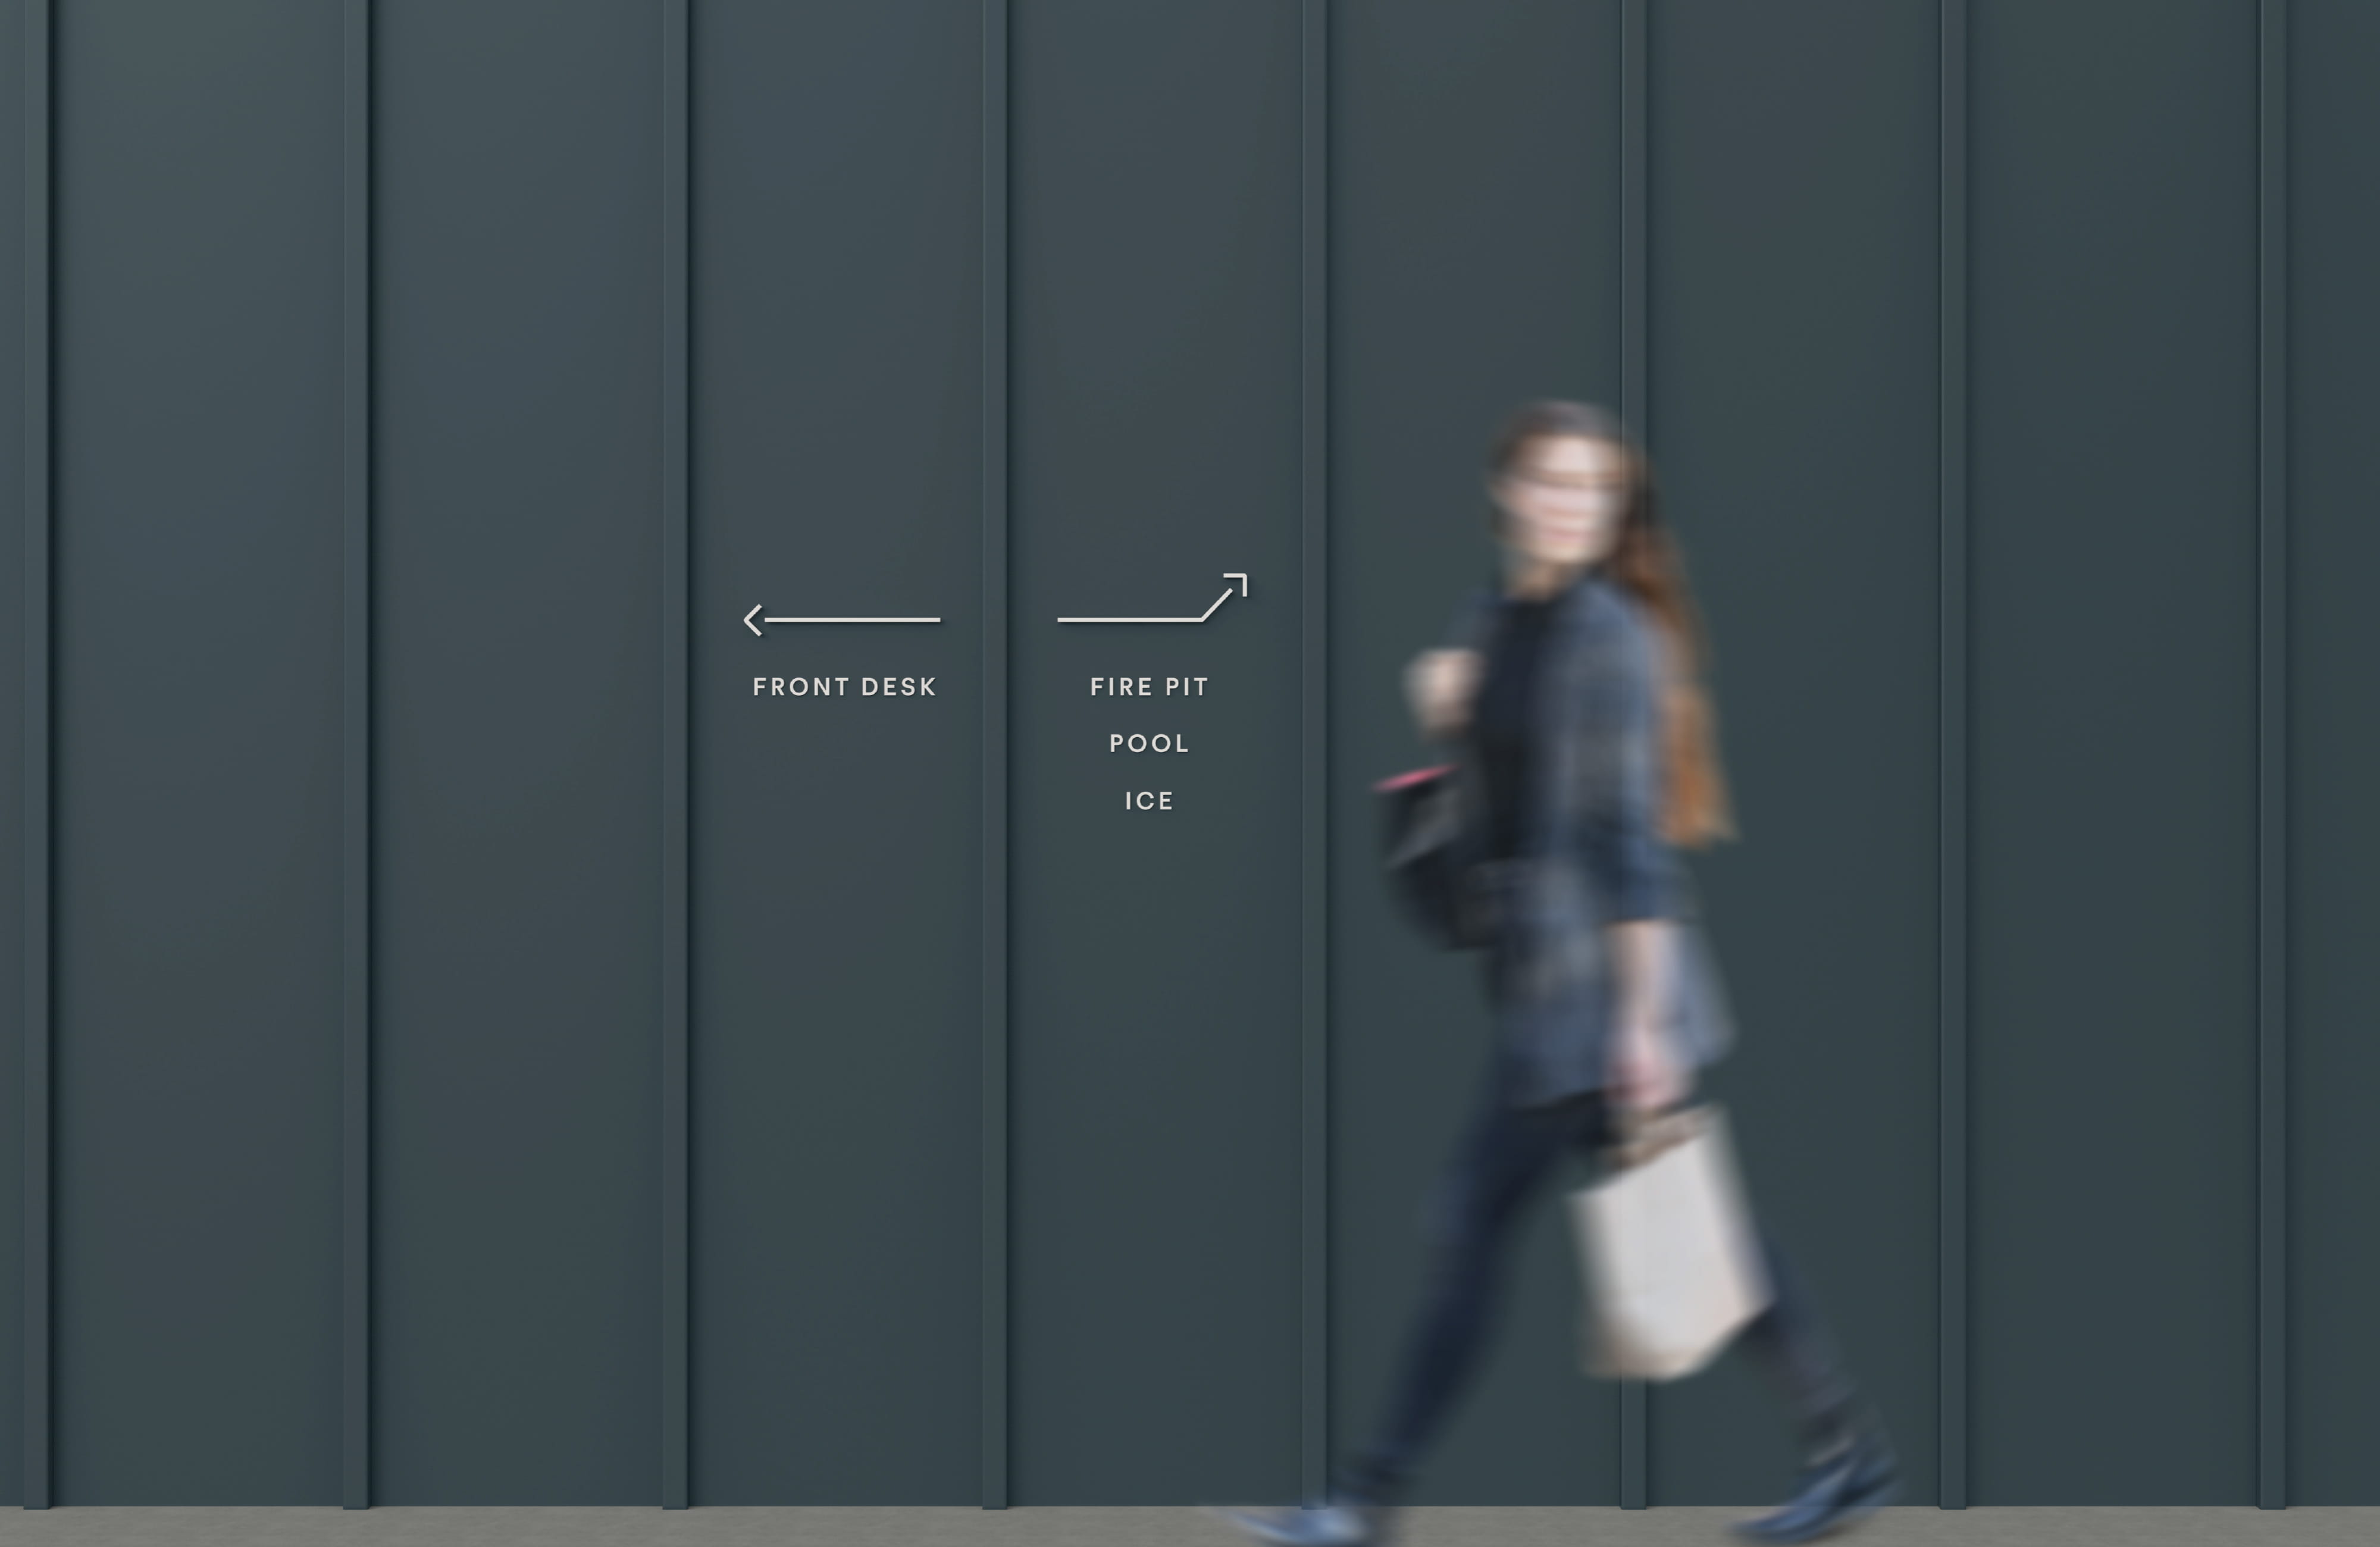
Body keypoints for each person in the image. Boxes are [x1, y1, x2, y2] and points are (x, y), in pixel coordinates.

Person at [1217, 401, 1899, 1546]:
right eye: (1553, 482)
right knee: (1700, 1231)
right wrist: (1447, 719)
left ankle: (1364, 1500)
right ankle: (1848, 1451)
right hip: (1543, 991)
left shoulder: (1614, 639)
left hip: (1598, 1005)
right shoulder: (1493, 621)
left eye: (1596, 489)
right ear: (1508, 495)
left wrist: (1640, 1025)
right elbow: (1503, 813)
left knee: (1471, 1229)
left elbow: (1630, 842)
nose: (1574, 505)